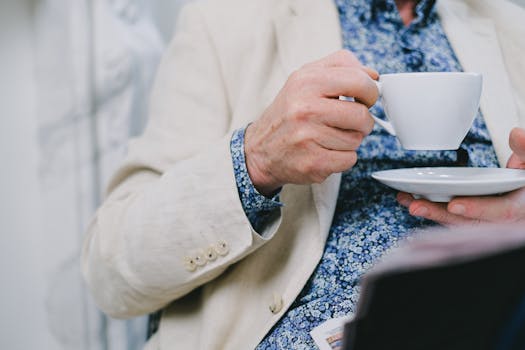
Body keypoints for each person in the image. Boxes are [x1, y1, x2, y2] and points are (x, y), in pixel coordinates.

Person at [81, 0, 525, 349]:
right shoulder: (222, 25)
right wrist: (254, 159)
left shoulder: (512, 27)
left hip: (496, 312)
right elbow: (111, 270)